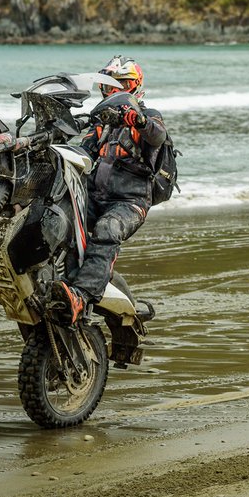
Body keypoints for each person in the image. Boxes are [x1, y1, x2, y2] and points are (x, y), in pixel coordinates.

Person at [50, 55, 167, 321]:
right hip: (93, 196)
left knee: (107, 229)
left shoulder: (148, 115)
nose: (113, 91)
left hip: (130, 202)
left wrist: (136, 120)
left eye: (120, 85)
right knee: (54, 216)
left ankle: (81, 296)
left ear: (134, 86)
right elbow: (81, 153)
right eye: (108, 85)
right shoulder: (101, 123)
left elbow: (157, 135)